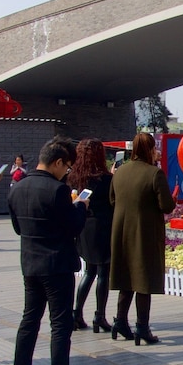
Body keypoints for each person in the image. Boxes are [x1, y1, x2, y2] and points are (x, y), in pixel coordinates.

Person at [9, 136, 95, 365]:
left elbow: (17, 228)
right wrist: (80, 207)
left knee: (30, 318)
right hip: (56, 264)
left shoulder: (17, 187)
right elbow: (72, 226)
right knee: (60, 324)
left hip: (30, 263)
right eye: (67, 167)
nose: (67, 172)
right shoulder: (56, 190)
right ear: (58, 162)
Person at [109, 133, 176, 345]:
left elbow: (112, 199)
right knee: (143, 280)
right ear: (148, 149)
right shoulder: (154, 173)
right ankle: (142, 327)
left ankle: (120, 321)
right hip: (144, 232)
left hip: (121, 232)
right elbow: (166, 205)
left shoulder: (119, 172)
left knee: (126, 278)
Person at [67, 139, 114, 333]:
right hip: (102, 227)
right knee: (103, 273)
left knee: (89, 271)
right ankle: (99, 316)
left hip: (84, 226)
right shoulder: (105, 179)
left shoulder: (74, 177)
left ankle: (76, 313)